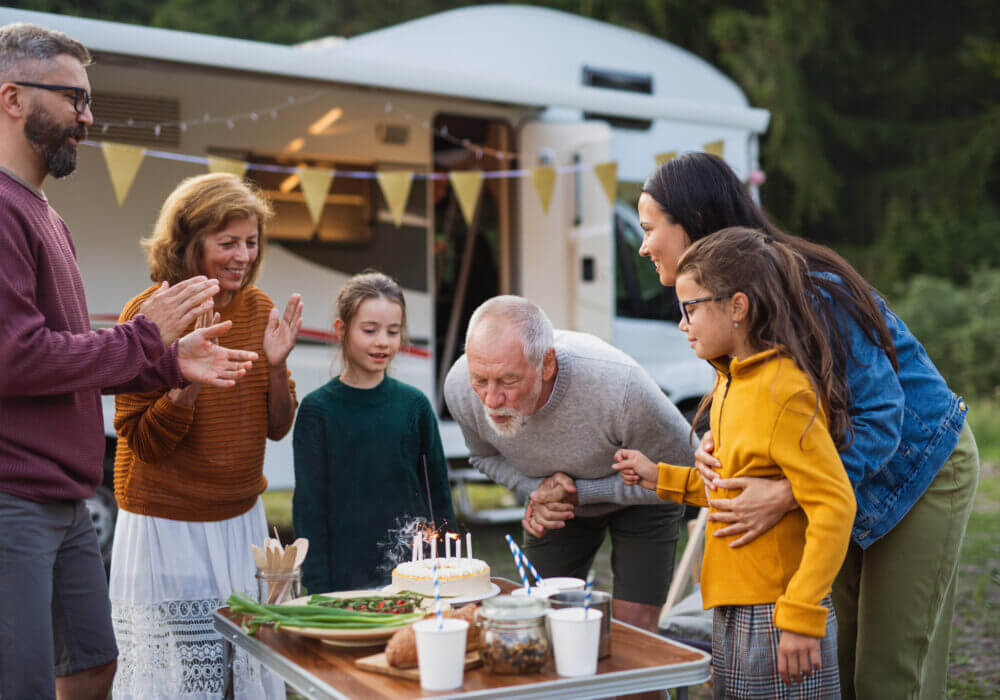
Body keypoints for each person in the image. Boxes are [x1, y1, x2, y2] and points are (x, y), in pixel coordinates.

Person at [637, 152, 980, 699]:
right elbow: (762, 397)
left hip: (918, 468)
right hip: (832, 480)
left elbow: (881, 414)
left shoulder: (807, 288)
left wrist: (788, 493)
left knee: (888, 676)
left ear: (694, 223)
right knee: (834, 665)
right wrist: (715, 445)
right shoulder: (721, 306)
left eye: (650, 229)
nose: (644, 245)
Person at [0, 23, 258, 700]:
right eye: (73, 99)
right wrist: (147, 339)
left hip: (64, 496)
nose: (87, 117)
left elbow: (72, 355)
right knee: (23, 682)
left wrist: (171, 364)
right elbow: (15, 358)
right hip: (13, 496)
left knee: (91, 669)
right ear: (12, 98)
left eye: (87, 101)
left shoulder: (43, 214)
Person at [615, 228, 855, 696]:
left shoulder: (782, 388)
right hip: (733, 605)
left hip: (777, 612)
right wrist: (657, 476)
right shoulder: (730, 381)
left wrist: (803, 615)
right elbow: (734, 487)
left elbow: (834, 504)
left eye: (690, 309)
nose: (682, 324)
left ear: (737, 307)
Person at [110, 173, 301, 699]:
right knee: (179, 680)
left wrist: (278, 367)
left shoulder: (259, 309)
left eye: (251, 241)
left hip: (241, 522)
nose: (243, 255)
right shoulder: (150, 315)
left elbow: (278, 427)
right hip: (168, 527)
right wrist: (185, 386)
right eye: (228, 243)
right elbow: (143, 443)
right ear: (190, 244)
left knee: (246, 672)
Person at [444, 295, 694, 632]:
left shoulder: (621, 388)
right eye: (481, 380)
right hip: (557, 507)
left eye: (508, 381)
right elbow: (483, 456)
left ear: (547, 364)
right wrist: (537, 491)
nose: (491, 399)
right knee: (538, 620)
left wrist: (581, 493)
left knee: (634, 633)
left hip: (642, 499)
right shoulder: (459, 387)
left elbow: (685, 475)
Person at [293, 271, 455, 594]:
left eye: (393, 331)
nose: (383, 341)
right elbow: (309, 511)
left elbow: (439, 496)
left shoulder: (415, 406)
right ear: (341, 330)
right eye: (370, 330)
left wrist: (450, 568)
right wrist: (319, 591)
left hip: (415, 575)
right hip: (346, 582)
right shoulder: (317, 411)